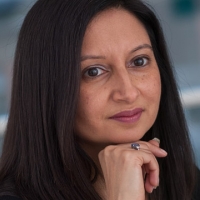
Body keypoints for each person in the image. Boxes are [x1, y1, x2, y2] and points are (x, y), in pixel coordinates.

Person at [0, 0, 199, 199]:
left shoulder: (186, 182)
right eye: (93, 71)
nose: (128, 92)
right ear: (46, 88)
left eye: (139, 61)